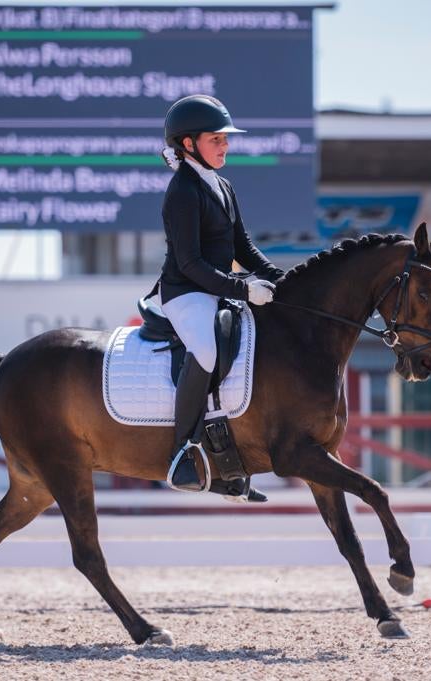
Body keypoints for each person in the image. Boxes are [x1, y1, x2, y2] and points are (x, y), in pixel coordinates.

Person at [157, 95, 284, 496]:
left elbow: (242, 246)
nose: (225, 146)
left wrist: (280, 278)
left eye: (225, 139)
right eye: (216, 139)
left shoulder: (223, 185)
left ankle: (229, 461)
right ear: (189, 144)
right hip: (186, 293)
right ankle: (182, 454)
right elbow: (191, 263)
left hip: (218, 291)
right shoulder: (182, 191)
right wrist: (243, 288)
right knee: (207, 352)